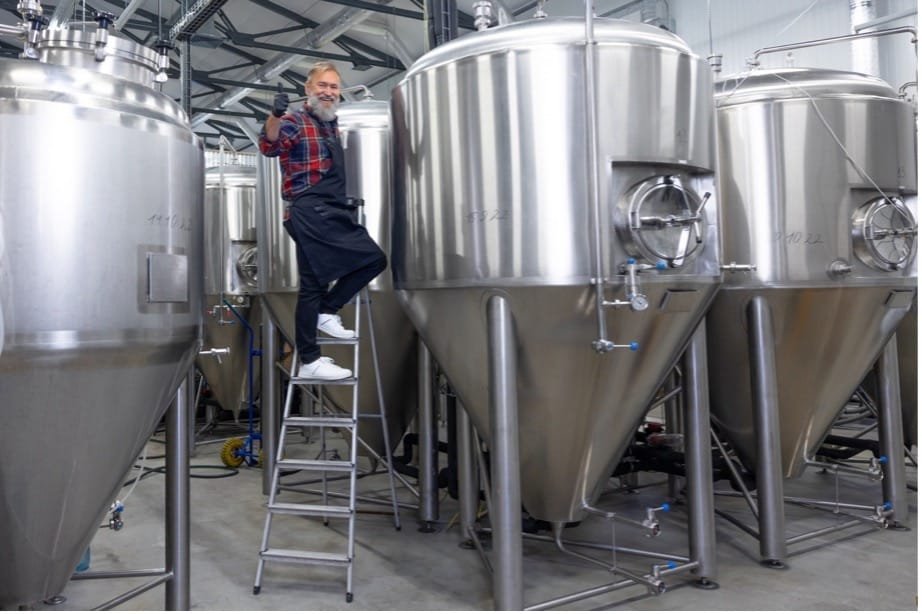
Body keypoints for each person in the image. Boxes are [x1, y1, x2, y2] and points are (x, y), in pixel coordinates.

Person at [259, 61, 387, 380]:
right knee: (373, 259)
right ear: (308, 88)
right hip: (310, 208)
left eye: (333, 87)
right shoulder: (295, 121)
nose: (328, 92)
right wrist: (274, 116)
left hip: (327, 207)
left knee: (311, 286)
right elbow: (268, 145)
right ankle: (327, 313)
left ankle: (310, 359)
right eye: (322, 85)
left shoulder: (330, 124)